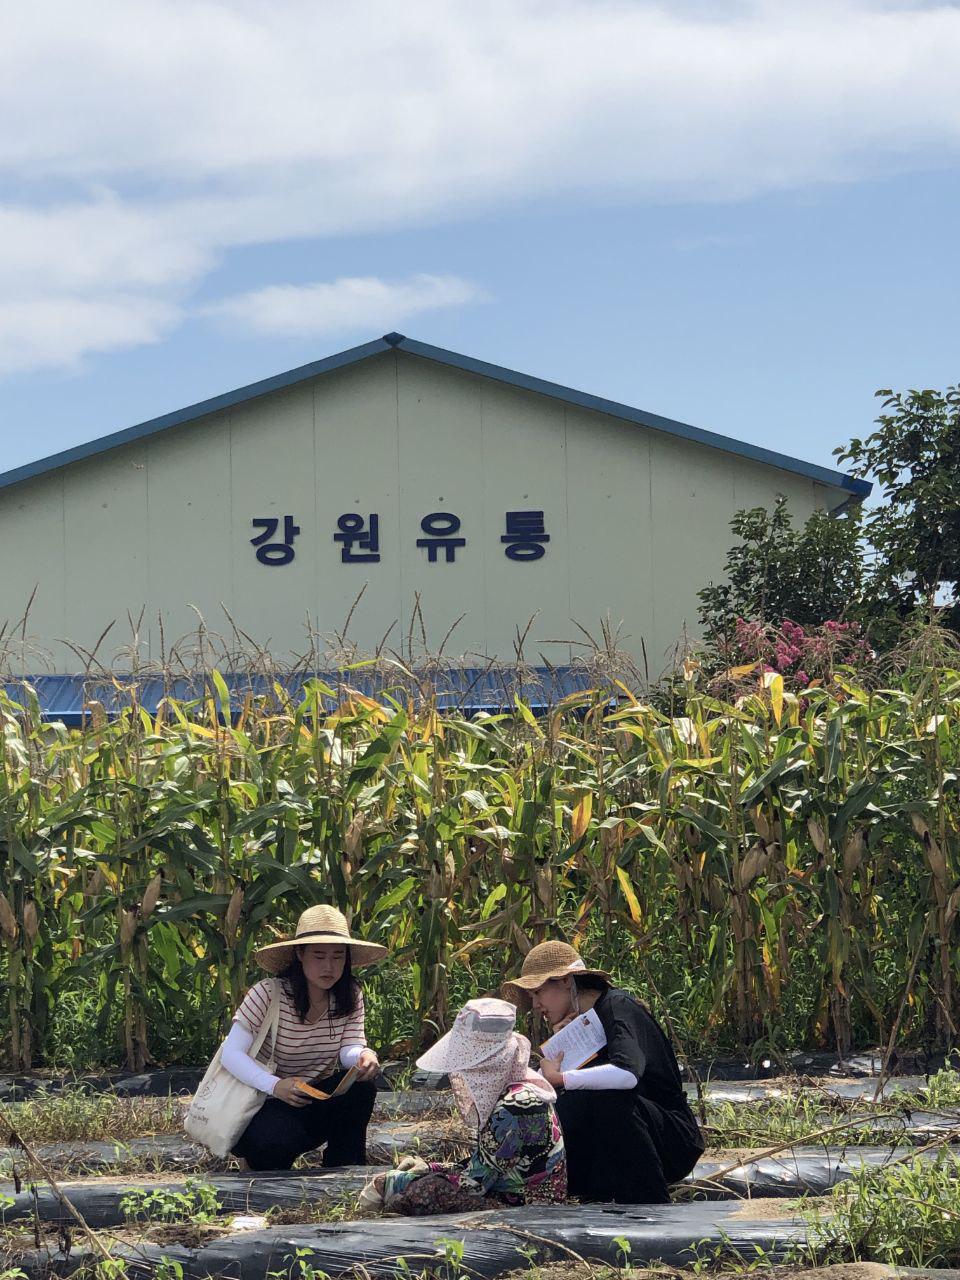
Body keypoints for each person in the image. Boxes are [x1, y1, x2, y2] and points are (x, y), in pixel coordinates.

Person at [502, 941, 703, 1204]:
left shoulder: (617, 1008)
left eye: (539, 992)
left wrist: (560, 1078)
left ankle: (649, 1205)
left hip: (671, 1139)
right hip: (622, 1145)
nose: (536, 1004)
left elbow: (627, 1073)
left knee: (609, 1099)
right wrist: (562, 1044)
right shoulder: (584, 1022)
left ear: (564, 981)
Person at [359, 997, 566, 1215]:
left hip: (529, 1210)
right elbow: (485, 1164)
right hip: (513, 1196)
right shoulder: (518, 1091)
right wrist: (431, 1167)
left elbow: (475, 1184)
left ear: (486, 1064)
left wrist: (394, 1183)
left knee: (429, 1190)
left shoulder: (516, 1106)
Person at [223, 903, 386, 1170]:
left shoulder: (349, 995)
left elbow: (349, 1048)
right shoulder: (268, 994)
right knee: (271, 1143)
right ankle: (257, 1164)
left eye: (337, 957)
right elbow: (231, 1054)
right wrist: (275, 1085)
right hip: (261, 1103)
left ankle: (345, 1170)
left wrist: (364, 1056)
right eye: (319, 956)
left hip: (309, 1099)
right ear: (300, 954)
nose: (329, 967)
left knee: (361, 1088)